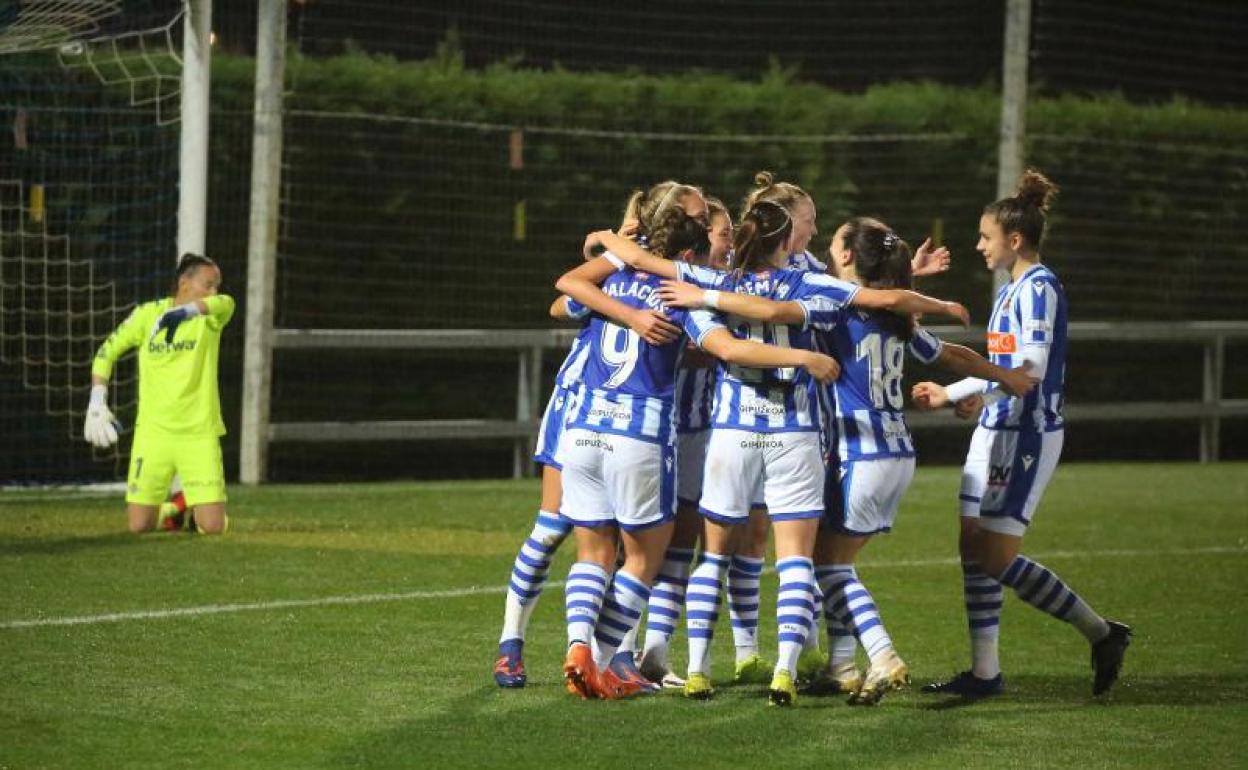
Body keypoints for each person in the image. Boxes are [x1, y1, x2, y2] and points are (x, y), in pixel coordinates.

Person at [593, 200, 968, 706]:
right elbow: (877, 300)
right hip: (795, 434)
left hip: (730, 434)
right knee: (796, 563)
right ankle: (785, 672)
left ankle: (699, 668)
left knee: (715, 557)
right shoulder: (804, 283)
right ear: (787, 239)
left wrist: (608, 236)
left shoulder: (706, 285)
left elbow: (652, 270)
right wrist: (937, 304)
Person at [554, 181, 841, 700]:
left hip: (583, 423)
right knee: (652, 556)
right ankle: (602, 659)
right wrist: (802, 356)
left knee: (593, 552)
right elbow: (728, 345)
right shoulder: (686, 292)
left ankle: (581, 647)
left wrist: (614, 261)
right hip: (644, 430)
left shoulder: (617, 270)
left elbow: (566, 291)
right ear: (689, 248)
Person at [911, 170, 1132, 697]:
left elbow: (1027, 368)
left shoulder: (1040, 288)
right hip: (995, 427)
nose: (978, 246)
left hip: (1027, 434)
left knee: (995, 557)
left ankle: (1102, 633)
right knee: (972, 546)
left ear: (1014, 240)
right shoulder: (1013, 289)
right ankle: (985, 672)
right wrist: (979, 399)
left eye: (985, 237)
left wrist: (951, 392)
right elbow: (1005, 367)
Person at [83, 253, 234, 535]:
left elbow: (226, 304)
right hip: (153, 434)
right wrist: (96, 399)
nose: (215, 292)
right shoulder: (147, 315)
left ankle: (200, 510)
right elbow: (106, 352)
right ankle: (175, 508)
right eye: (209, 284)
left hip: (198, 434)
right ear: (184, 283)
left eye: (217, 286)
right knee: (139, 526)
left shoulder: (209, 319)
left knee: (212, 528)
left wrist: (184, 313)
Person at [492, 292, 595, 688]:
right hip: (579, 406)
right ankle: (510, 646)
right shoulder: (615, 274)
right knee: (552, 527)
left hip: (638, 415)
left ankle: (606, 655)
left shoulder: (685, 279)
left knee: (622, 539)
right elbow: (561, 303)